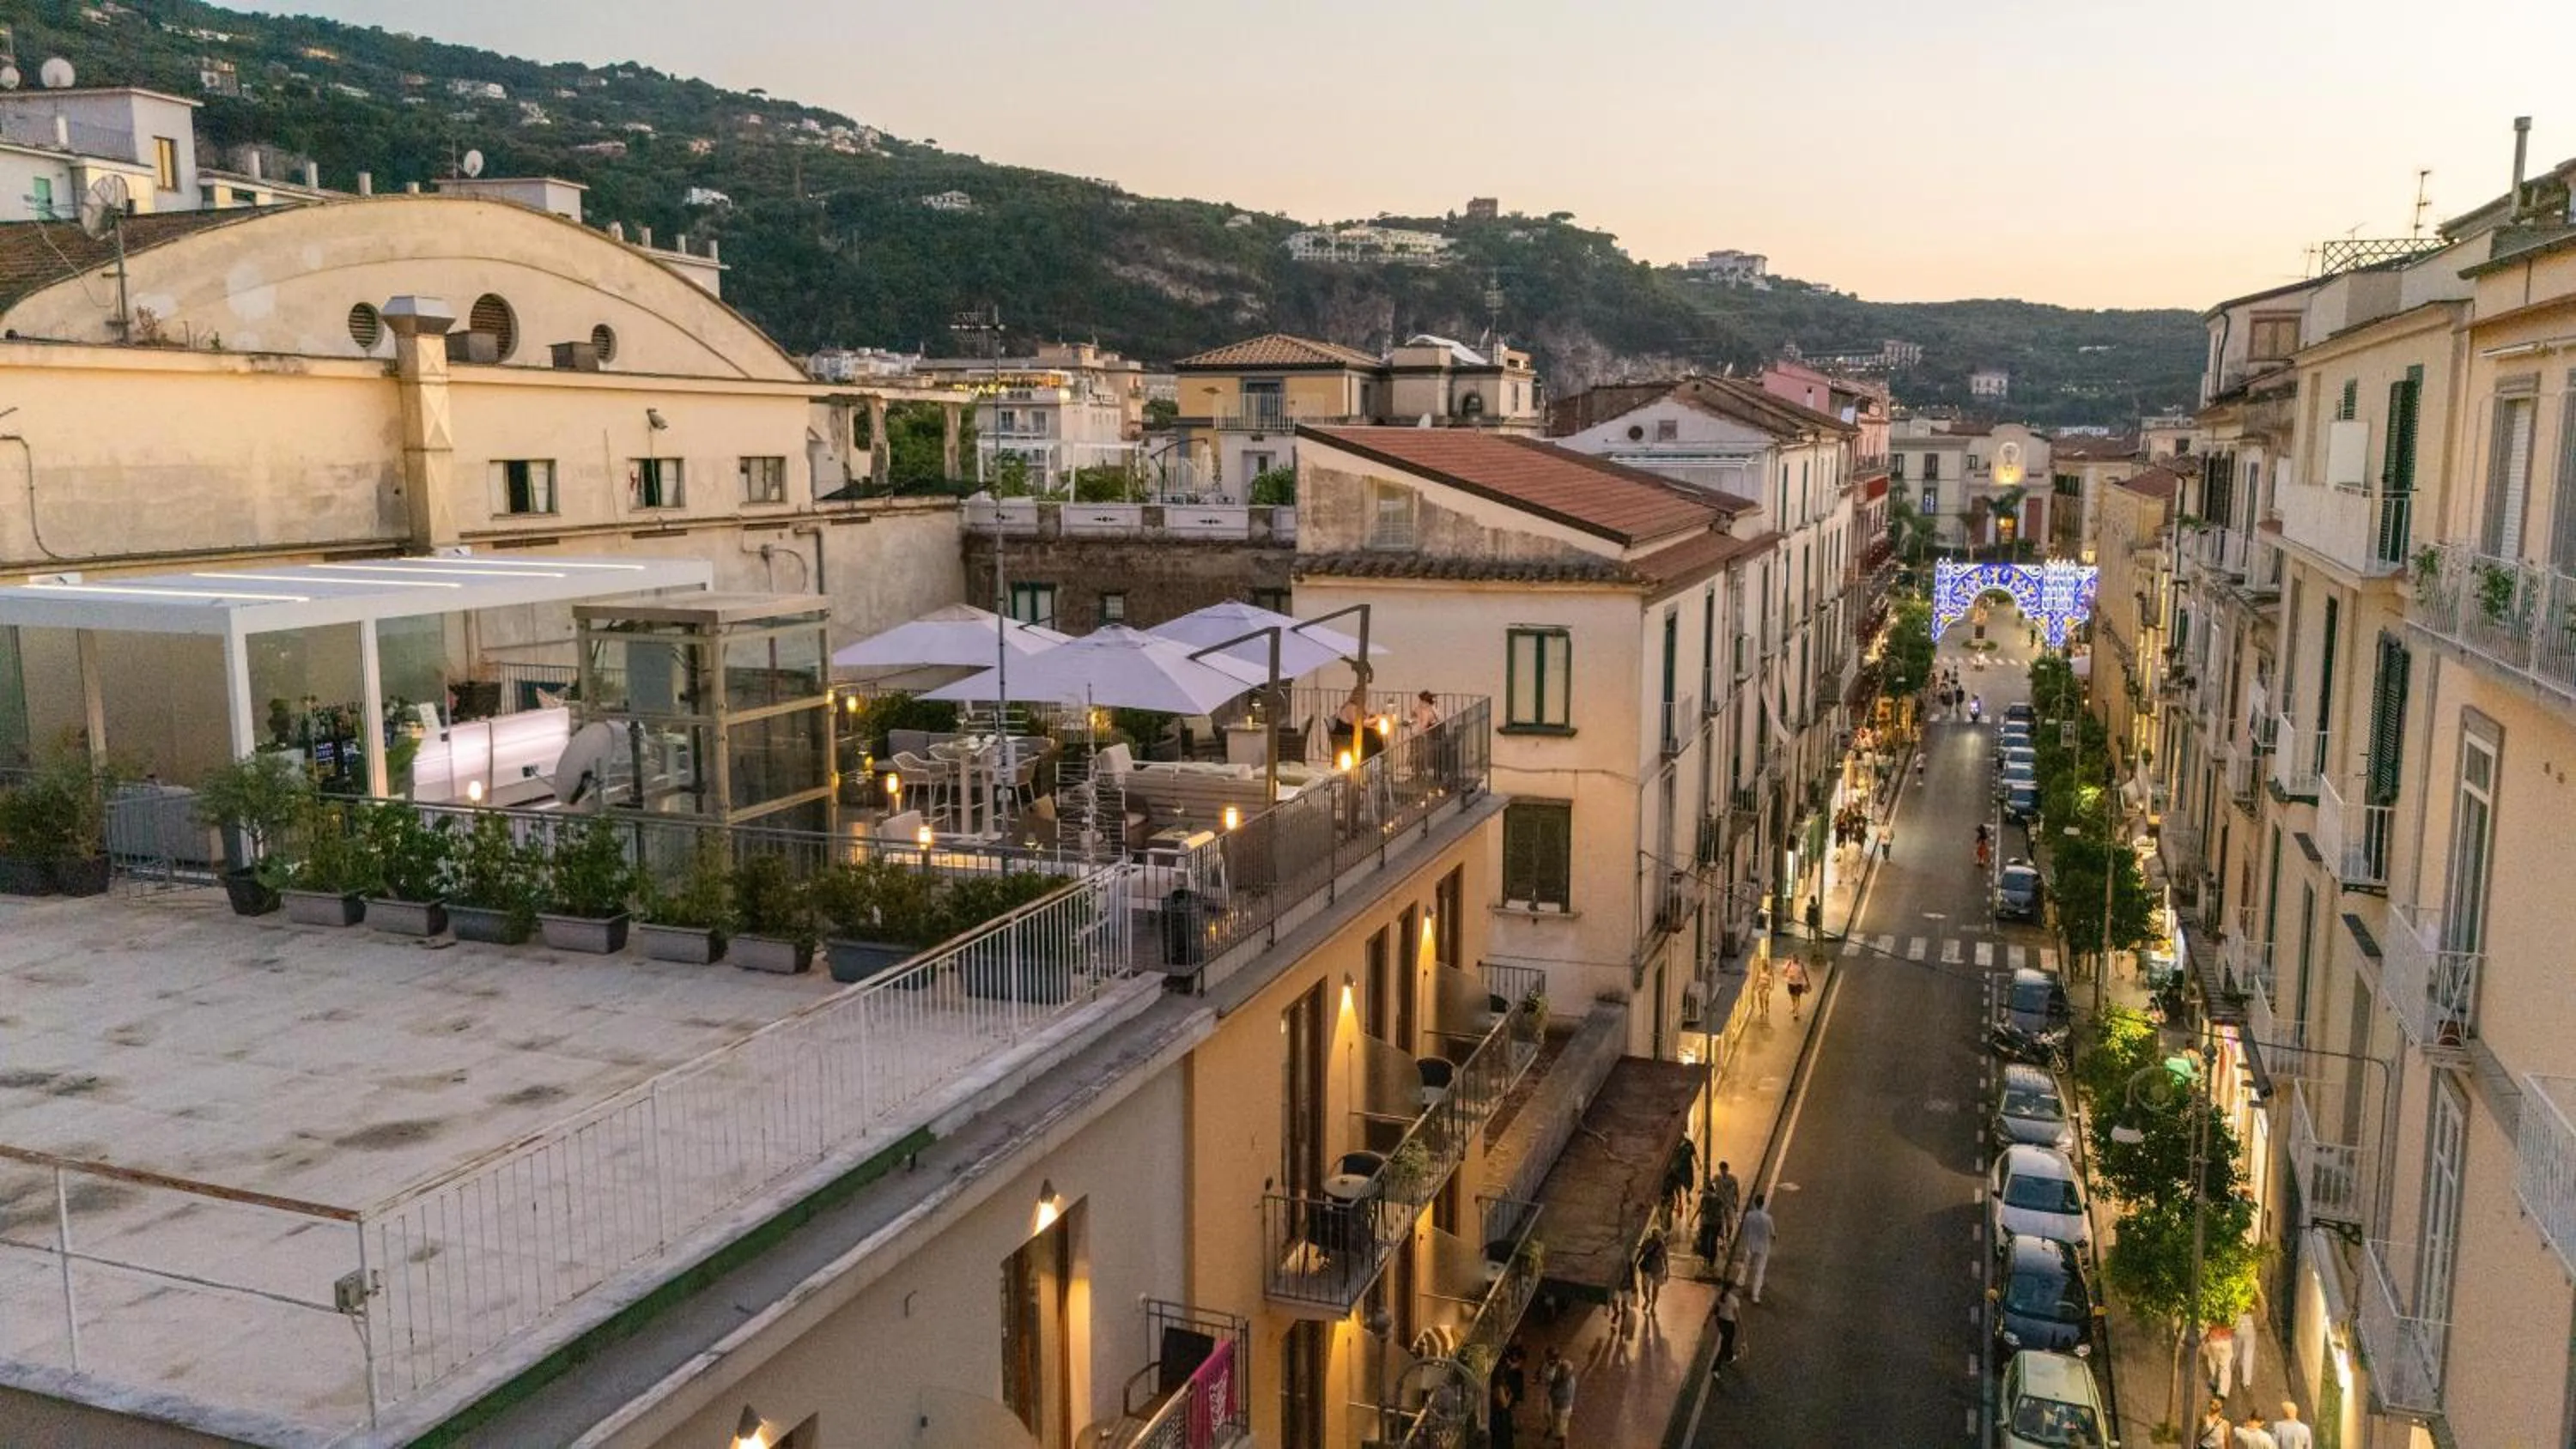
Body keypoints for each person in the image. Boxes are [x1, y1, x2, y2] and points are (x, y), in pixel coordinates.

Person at [1738, 1193, 1776, 1302]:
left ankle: (1741, 1281)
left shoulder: (1749, 1216)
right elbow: (1773, 1234)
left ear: (1755, 1203)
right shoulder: (1768, 1218)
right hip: (1763, 1247)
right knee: (1760, 1271)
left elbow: (1744, 1230)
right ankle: (1755, 1295)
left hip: (1751, 1245)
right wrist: (1774, 1238)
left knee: (1746, 1264)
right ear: (1763, 1204)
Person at [1706, 1161, 1742, 1255]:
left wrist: (1737, 1204)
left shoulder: (1733, 1179)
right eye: (1722, 1170)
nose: (1724, 1172)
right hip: (1719, 1206)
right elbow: (1709, 1185)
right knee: (1721, 1226)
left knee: (1730, 1225)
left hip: (1729, 1205)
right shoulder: (1717, 1178)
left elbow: (1737, 1192)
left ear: (1727, 1169)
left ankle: (1728, 1237)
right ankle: (1722, 1241)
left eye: (1725, 1170)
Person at [1542, 1348, 1576, 1443]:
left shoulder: (1566, 1382)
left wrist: (1551, 1388)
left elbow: (1558, 1393)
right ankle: (1552, 1428)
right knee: (1547, 1414)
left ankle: (1563, 1443)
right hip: (1555, 1401)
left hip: (1561, 1406)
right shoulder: (1562, 1372)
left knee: (1561, 1428)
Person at [1710, 1280, 1743, 1371]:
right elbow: (1738, 1317)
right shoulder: (1734, 1300)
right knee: (1725, 1344)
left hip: (1720, 1321)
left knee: (1728, 1340)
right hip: (1729, 1324)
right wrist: (1743, 1332)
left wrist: (1707, 1320)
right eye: (1735, 1288)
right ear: (1731, 1290)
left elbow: (1714, 1308)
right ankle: (1716, 1368)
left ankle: (1729, 1357)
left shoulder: (1720, 1296)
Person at [1637, 1232, 1669, 1313]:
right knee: (1645, 1287)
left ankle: (1653, 1307)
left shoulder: (1662, 1245)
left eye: (1658, 1236)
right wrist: (1635, 1263)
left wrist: (1667, 1272)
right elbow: (1640, 1253)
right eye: (1655, 1236)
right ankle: (1647, 1299)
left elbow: (1666, 1259)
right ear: (1652, 1236)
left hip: (1658, 1269)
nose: (1656, 1238)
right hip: (1647, 1268)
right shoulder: (1646, 1243)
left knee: (1656, 1289)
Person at [2205, 1319, 2238, 1397]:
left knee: (2212, 1363)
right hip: (2226, 1341)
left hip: (2214, 1340)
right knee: (2225, 1368)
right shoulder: (2232, 1315)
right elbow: (2234, 1328)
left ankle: (2214, 1382)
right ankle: (2222, 1392)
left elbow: (2206, 1327)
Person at [1487, 1367, 1518, 1449]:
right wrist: (1510, 1396)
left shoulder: (1494, 1387)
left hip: (1497, 1417)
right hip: (1502, 1418)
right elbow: (1505, 1405)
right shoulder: (1499, 1388)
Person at [2233, 1307, 2258, 1394]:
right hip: (2250, 1325)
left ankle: (2229, 1369)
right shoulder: (2256, 1299)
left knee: (2234, 1350)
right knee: (2248, 1354)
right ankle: (2246, 1381)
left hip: (2238, 1323)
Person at [1783, 958, 1811, 1022]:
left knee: (1797, 997)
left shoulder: (1801, 964)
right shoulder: (1789, 963)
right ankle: (1794, 1006)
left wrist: (1808, 982)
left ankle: (1796, 1012)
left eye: (1796, 958)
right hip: (1790, 983)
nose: (1795, 959)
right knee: (1792, 997)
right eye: (1794, 957)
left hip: (1798, 984)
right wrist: (1788, 975)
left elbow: (1805, 973)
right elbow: (1784, 972)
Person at [1753, 955, 1774, 1022]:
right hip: (1760, 986)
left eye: (1765, 963)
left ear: (1766, 963)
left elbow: (1773, 978)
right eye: (1763, 963)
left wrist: (1772, 986)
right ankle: (1762, 1011)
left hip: (1767, 987)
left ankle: (1767, 1008)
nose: (1764, 964)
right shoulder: (1759, 970)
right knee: (1760, 999)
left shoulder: (1769, 970)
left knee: (1766, 999)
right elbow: (1757, 978)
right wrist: (1755, 985)